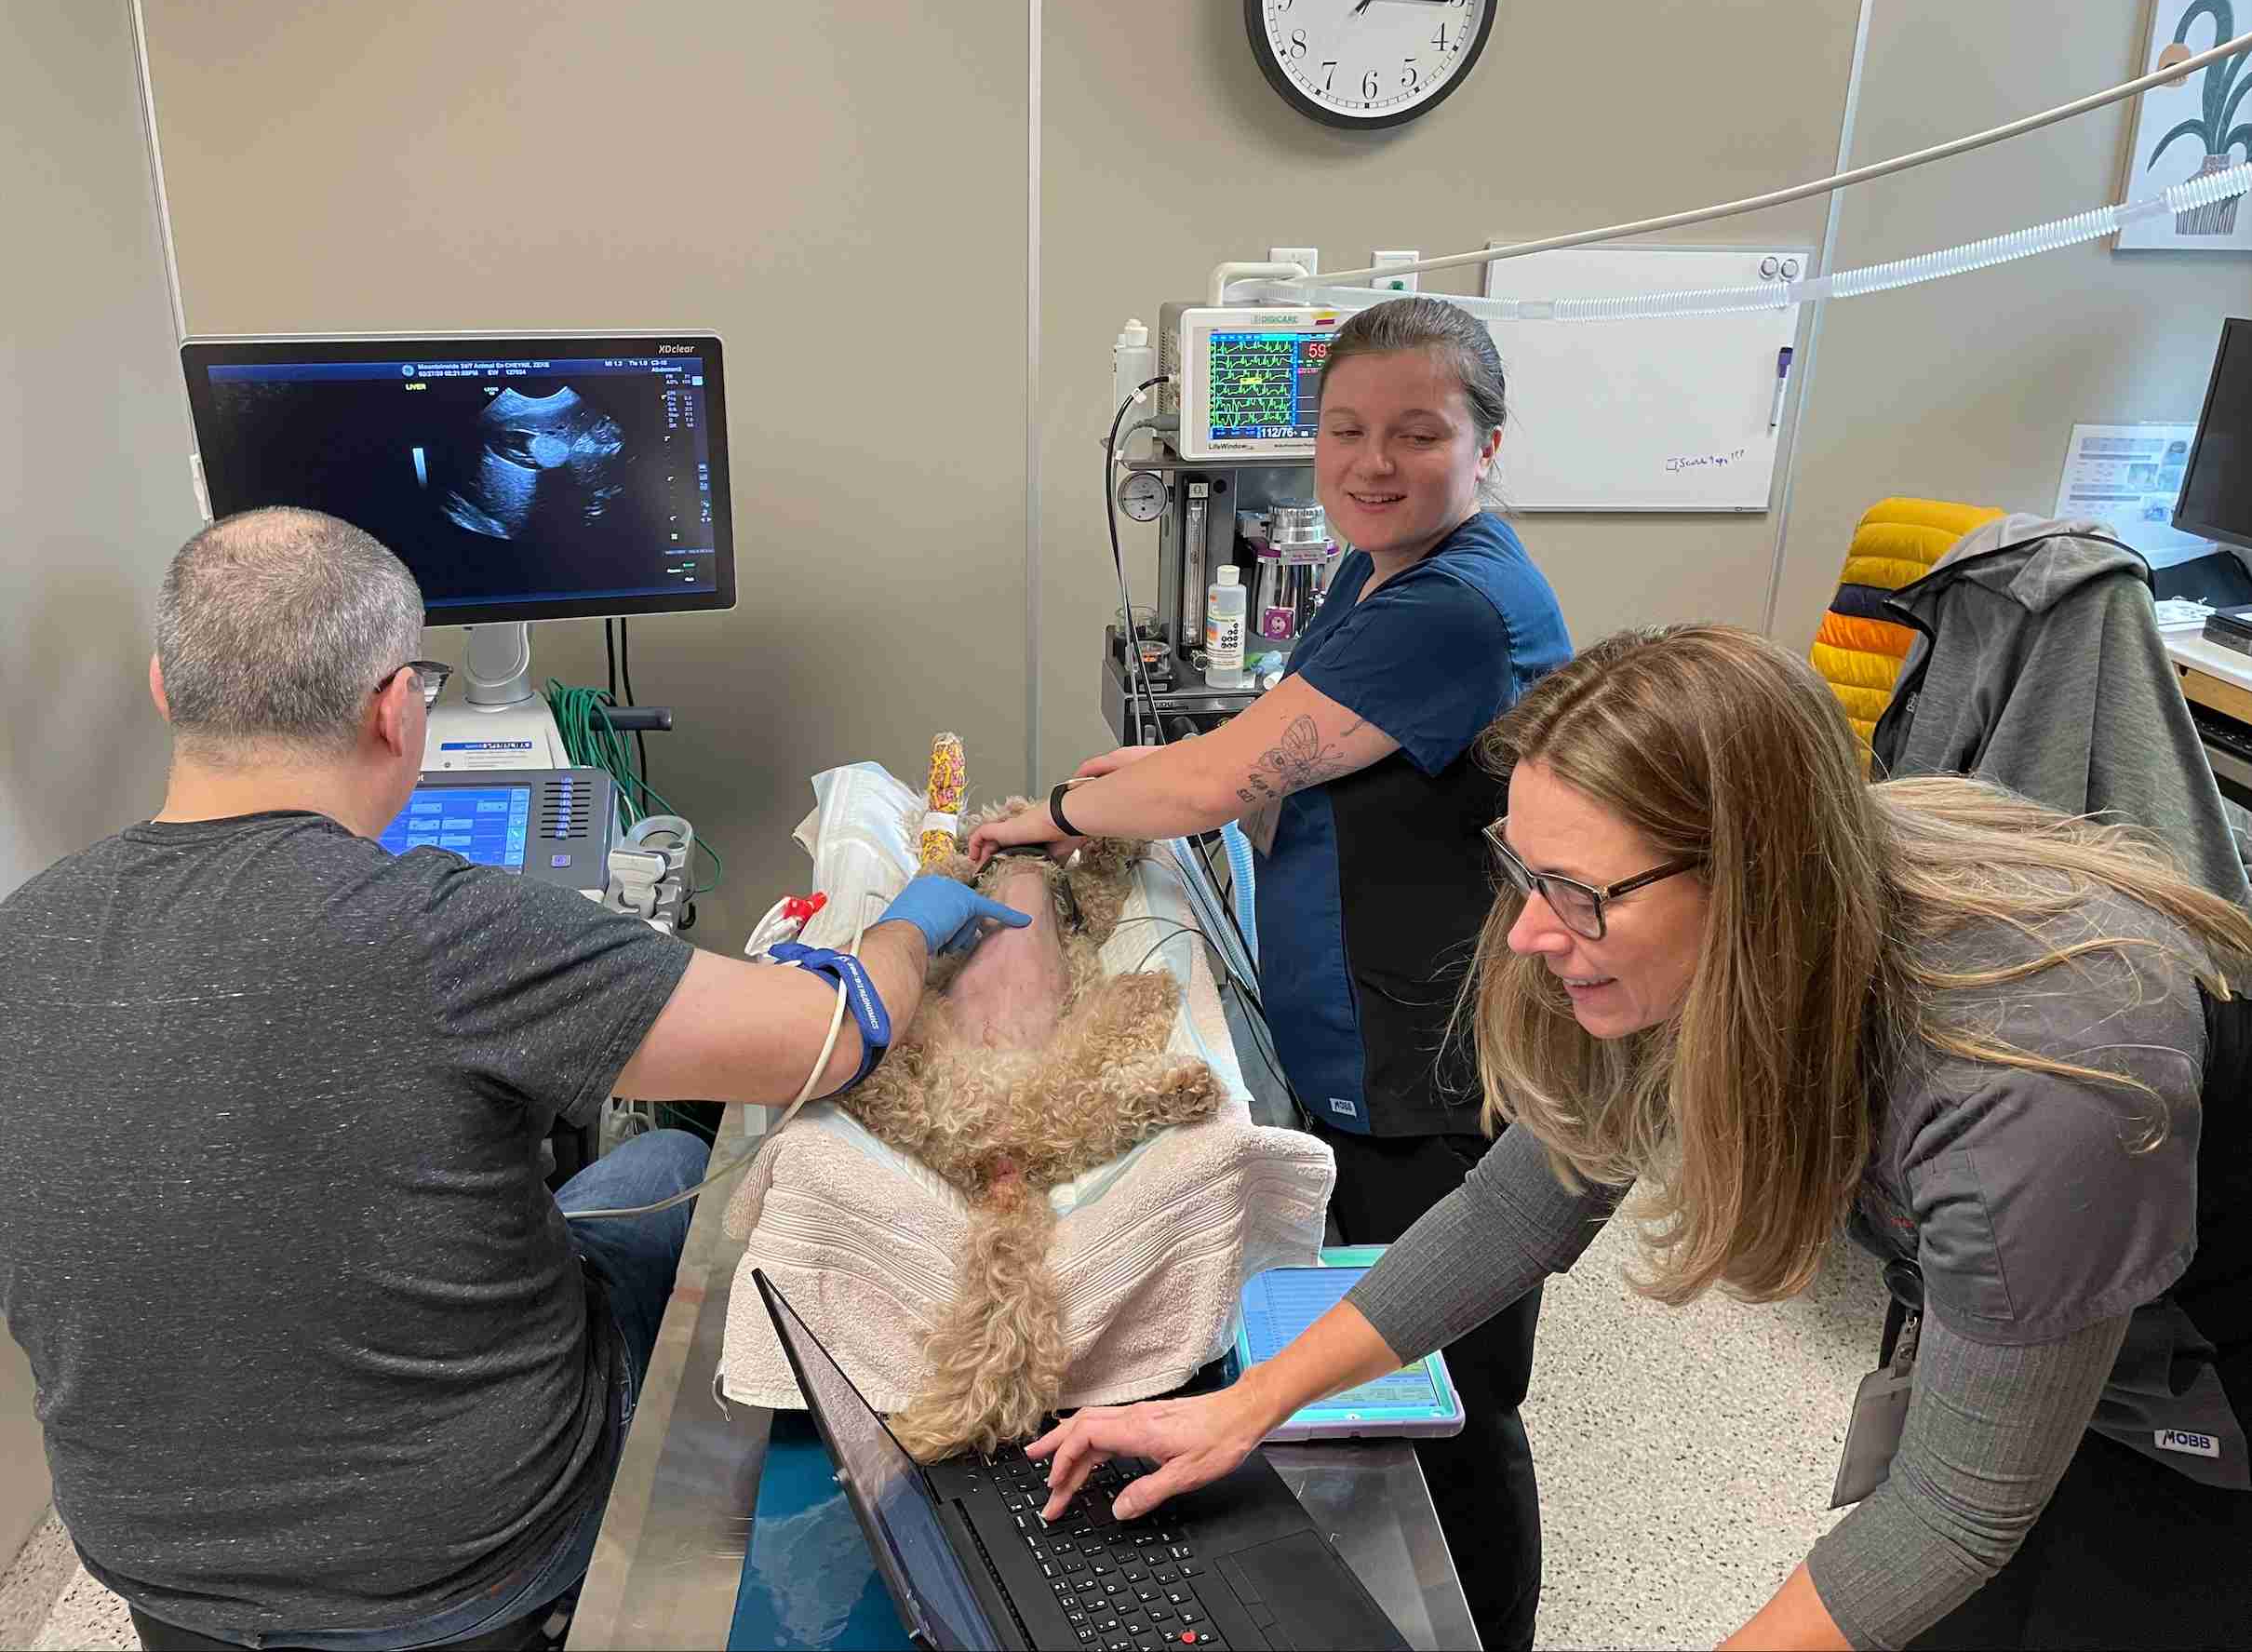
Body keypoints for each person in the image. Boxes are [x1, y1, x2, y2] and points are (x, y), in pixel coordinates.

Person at [1029, 624, 2252, 1651]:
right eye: (1526, 871)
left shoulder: (2038, 1088)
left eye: (1582, 895)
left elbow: (1954, 1516)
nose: (1526, 936)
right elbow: (1522, 1203)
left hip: (2203, 1370)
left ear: (1752, 884)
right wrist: (1248, 1407)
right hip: (2040, 1264)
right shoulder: (1742, 921)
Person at [0, 509, 1028, 1652]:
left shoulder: (21, 935)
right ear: (396, 708)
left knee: (630, 1168)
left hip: (162, 1568)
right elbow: (831, 1034)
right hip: (465, 1566)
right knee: (678, 1164)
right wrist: (913, 918)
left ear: (164, 690)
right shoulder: (451, 924)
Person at [971, 295, 1570, 1647]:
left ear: (1489, 445)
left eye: (1418, 433)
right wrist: (1156, 778)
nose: (1373, 462)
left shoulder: (1459, 605)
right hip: (1372, 1027)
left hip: (1430, 1059)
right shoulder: (1383, 570)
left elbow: (1237, 771)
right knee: (1381, 1362)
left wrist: (1051, 816)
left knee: (1450, 1396)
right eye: (1345, 430)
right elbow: (1291, 735)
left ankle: (1481, 1630)